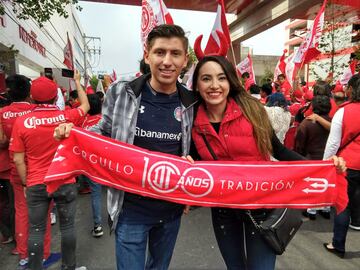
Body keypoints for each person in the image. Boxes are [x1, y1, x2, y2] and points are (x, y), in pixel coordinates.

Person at [55, 24, 196, 270]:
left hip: (171, 211)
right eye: (160, 52)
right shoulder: (122, 91)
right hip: (130, 210)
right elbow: (104, 131)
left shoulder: (192, 102)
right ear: (147, 55)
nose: (166, 61)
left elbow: (196, 149)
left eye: (175, 54)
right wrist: (74, 133)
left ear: (185, 59)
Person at [189, 54, 345, 270]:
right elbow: (191, 164)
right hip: (224, 211)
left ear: (230, 82)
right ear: (196, 84)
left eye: (221, 78)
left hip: (262, 208)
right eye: (206, 79)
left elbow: (279, 150)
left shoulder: (252, 110)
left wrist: (323, 168)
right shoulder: (191, 122)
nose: (214, 85)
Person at [10, 72, 89, 270]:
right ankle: (69, 267)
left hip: (36, 182)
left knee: (36, 229)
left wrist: (25, 183)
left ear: (31, 97)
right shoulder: (66, 116)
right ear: (56, 97)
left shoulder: (22, 122)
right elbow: (86, 106)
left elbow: (18, 159)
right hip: (64, 181)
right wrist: (78, 83)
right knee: (68, 227)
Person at [0, 74, 56, 269]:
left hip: (12, 168)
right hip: (37, 170)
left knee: (21, 211)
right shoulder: (36, 112)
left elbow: (1, 141)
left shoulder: (3, 112)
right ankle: (44, 254)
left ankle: (23, 254)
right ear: (29, 94)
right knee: (44, 213)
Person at [324, 74, 360, 257]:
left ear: (352, 90)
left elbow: (333, 143)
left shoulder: (344, 111)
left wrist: (325, 165)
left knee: (343, 204)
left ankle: (338, 244)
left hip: (348, 164)